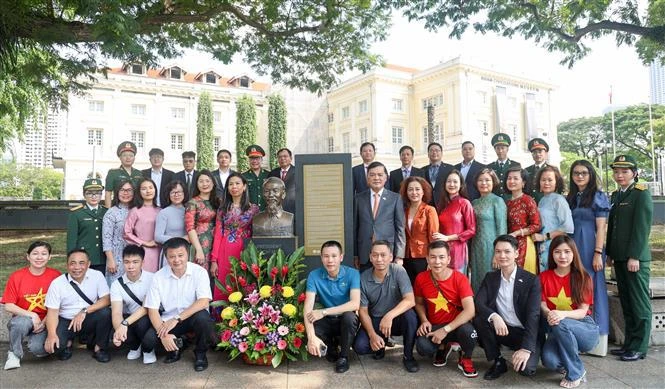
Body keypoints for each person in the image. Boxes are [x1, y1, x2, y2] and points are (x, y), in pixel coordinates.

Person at [606, 155, 653, 362]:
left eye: (624, 171)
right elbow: (612, 227)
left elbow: (641, 229)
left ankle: (640, 347)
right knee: (626, 302)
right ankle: (629, 344)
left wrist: (635, 255)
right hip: (619, 257)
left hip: (635, 259)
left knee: (639, 303)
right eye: (616, 171)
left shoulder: (641, 194)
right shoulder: (616, 195)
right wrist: (609, 253)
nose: (620, 175)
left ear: (634, 173)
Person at [473, 235, 540, 380]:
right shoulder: (491, 277)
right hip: (504, 329)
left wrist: (526, 348)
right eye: (498, 252)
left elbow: (533, 316)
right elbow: (478, 302)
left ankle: (526, 351)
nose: (502, 256)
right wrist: (495, 316)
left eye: (507, 251)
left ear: (516, 253)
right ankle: (498, 361)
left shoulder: (531, 280)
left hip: (525, 333)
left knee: (526, 370)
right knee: (480, 320)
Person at [144, 238, 213, 372]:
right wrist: (164, 335)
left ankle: (200, 354)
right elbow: (152, 309)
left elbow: (204, 301)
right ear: (166, 258)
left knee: (203, 318)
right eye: (172, 256)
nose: (176, 260)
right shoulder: (158, 277)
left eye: (180, 255)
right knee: (149, 341)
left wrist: (177, 319)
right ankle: (177, 345)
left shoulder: (199, 272)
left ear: (188, 254)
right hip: (168, 320)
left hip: (190, 317)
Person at [540, 236, 599, 388]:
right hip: (557, 327)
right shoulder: (544, 277)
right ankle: (569, 360)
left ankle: (576, 372)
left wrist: (561, 314)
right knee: (549, 361)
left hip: (584, 329)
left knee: (561, 323)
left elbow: (582, 312)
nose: (563, 256)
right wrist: (551, 314)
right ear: (552, 254)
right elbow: (542, 305)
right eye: (557, 252)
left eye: (567, 251)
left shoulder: (583, 277)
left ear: (574, 253)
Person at [414, 240, 478, 377]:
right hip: (435, 325)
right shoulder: (421, 278)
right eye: (433, 257)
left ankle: (466, 357)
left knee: (469, 332)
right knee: (422, 347)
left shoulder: (460, 279)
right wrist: (424, 320)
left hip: (457, 326)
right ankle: (443, 347)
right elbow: (418, 303)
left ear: (448, 259)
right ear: (427, 259)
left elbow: (470, 310)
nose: (437, 262)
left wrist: (445, 330)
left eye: (442, 257)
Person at [353, 241, 419, 373]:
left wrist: (389, 315)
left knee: (410, 316)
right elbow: (363, 312)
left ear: (390, 257)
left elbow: (410, 300)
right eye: (375, 255)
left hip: (397, 319)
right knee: (360, 347)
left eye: (383, 255)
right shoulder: (363, 278)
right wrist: (372, 335)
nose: (379, 259)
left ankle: (408, 356)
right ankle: (380, 344)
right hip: (376, 320)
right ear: (370, 257)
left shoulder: (399, 271)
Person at [566, 160, 610, 354]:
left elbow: (601, 227)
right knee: (575, 289)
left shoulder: (598, 197)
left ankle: (597, 338)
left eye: (584, 173)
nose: (580, 176)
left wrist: (598, 253)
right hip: (573, 248)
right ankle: (578, 336)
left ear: (591, 174)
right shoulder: (572, 197)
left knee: (593, 290)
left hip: (591, 247)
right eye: (576, 173)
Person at [44, 249, 112, 363]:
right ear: (67, 265)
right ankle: (68, 342)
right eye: (72, 263)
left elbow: (106, 300)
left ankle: (99, 348)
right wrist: (51, 335)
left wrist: (84, 311)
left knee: (105, 313)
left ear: (88, 264)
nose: (77, 267)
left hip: (88, 317)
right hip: (66, 320)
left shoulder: (97, 275)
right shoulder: (57, 283)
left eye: (81, 263)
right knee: (55, 348)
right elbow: (52, 312)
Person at [3, 241, 61, 370]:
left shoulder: (56, 276)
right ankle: (14, 354)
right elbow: (8, 305)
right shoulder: (17, 277)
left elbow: (61, 305)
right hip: (24, 319)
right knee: (20, 323)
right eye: (35, 254)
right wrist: (32, 315)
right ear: (28, 256)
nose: (39, 257)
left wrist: (45, 321)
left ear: (50, 256)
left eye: (44, 254)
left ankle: (40, 342)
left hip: (48, 320)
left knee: (38, 349)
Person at [304, 240, 360, 374]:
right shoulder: (314, 275)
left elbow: (355, 304)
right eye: (326, 256)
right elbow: (307, 307)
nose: (330, 260)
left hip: (344, 319)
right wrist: (311, 337)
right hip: (328, 320)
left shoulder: (352, 274)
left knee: (349, 317)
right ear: (321, 258)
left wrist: (323, 312)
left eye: (334, 256)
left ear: (341, 257)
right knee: (310, 320)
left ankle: (344, 357)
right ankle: (331, 345)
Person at [210, 172, 259, 300]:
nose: (234, 186)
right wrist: (214, 260)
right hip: (225, 251)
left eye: (237, 183)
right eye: (231, 184)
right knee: (225, 284)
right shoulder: (223, 209)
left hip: (245, 251)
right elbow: (218, 234)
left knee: (244, 283)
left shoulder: (253, 209)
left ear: (244, 186)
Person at [353, 161, 406, 272]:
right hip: (364, 253)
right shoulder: (358, 198)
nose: (376, 178)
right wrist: (355, 254)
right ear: (367, 178)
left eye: (380, 175)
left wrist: (399, 255)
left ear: (386, 177)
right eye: (372, 175)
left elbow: (400, 228)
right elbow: (355, 228)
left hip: (387, 253)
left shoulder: (395, 198)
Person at [110, 245, 157, 364]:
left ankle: (148, 349)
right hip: (130, 319)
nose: (131, 266)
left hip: (150, 316)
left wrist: (125, 323)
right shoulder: (117, 284)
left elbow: (146, 308)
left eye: (135, 262)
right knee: (117, 325)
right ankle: (135, 346)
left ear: (143, 262)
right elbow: (116, 312)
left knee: (142, 322)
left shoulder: (153, 279)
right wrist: (118, 330)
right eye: (127, 262)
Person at [470, 168, 507, 292]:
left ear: (493, 182)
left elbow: (502, 229)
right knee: (477, 280)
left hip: (491, 248)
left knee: (491, 281)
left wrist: (498, 254)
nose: (484, 183)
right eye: (480, 180)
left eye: (487, 180)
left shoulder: (497, 201)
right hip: (476, 247)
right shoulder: (474, 202)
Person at [433, 169, 476, 275]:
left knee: (457, 282)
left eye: (455, 182)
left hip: (458, 250)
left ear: (461, 184)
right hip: (442, 249)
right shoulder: (442, 204)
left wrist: (449, 238)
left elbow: (472, 230)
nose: (452, 184)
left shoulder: (464, 203)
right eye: (449, 181)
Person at [531, 166, 574, 272]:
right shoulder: (542, 200)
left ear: (557, 182)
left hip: (555, 246)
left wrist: (545, 237)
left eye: (550, 180)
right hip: (542, 247)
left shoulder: (559, 200)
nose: (546, 183)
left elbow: (568, 227)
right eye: (543, 180)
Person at [400, 176, 439, 284]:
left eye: (417, 189)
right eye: (410, 189)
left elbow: (433, 236)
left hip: (423, 256)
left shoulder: (429, 210)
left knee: (423, 287)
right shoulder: (404, 210)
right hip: (406, 256)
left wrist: (431, 258)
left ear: (423, 191)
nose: (414, 192)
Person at [504, 167, 541, 274]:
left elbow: (536, 225)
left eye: (515, 178)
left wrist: (517, 233)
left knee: (523, 277)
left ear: (523, 182)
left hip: (524, 244)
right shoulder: (506, 203)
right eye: (509, 178)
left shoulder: (528, 200)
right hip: (509, 245)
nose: (511, 181)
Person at [67, 178, 107, 274]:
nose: (94, 196)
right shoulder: (76, 213)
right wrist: (72, 260)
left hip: (103, 258)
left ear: (101, 195)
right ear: (84, 194)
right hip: (83, 259)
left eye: (97, 193)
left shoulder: (106, 212)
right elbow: (72, 240)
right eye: (89, 193)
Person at [123, 178, 161, 272]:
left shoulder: (161, 210)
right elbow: (126, 232)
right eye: (144, 189)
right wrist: (144, 243)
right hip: (144, 251)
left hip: (161, 251)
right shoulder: (135, 211)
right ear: (139, 192)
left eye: (151, 188)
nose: (148, 191)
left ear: (155, 190)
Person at [185, 169, 219, 270]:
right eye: (201, 181)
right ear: (196, 184)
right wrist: (198, 249)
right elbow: (190, 228)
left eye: (207, 181)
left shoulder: (218, 201)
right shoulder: (192, 203)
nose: (204, 184)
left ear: (213, 183)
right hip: (200, 243)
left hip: (217, 243)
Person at [102, 179, 134, 286]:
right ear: (117, 192)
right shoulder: (111, 213)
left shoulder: (137, 210)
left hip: (134, 258)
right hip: (117, 259)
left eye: (129, 190)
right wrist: (111, 260)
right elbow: (107, 239)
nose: (126, 193)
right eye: (122, 190)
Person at [154, 181, 189, 268]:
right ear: (168, 195)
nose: (176, 195)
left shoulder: (189, 211)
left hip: (185, 253)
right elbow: (158, 237)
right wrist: (180, 239)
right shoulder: (164, 212)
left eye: (179, 192)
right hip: (170, 253)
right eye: (173, 192)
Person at [104, 141, 143, 207]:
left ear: (134, 158)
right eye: (125, 155)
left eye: (131, 155)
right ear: (120, 158)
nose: (128, 158)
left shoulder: (139, 173)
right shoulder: (113, 173)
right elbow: (108, 193)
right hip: (118, 207)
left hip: (136, 207)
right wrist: (108, 210)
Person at [487, 133, 521, 200]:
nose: (500, 151)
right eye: (498, 148)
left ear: (507, 149)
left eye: (503, 148)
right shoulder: (490, 167)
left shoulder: (515, 165)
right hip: (494, 200)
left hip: (511, 199)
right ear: (495, 150)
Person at [421, 142, 454, 208]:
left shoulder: (450, 168)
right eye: (431, 150)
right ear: (428, 154)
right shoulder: (422, 170)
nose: (434, 152)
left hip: (445, 204)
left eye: (437, 150)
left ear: (441, 153)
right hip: (427, 205)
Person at [267, 147, 296, 215]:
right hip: (276, 210)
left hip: (293, 210)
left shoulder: (297, 171)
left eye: (285, 156)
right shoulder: (272, 173)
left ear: (291, 158)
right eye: (280, 157)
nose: (282, 159)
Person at [242, 144, 270, 211]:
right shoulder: (243, 176)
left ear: (261, 160)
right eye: (252, 158)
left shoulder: (269, 175)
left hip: (266, 211)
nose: (254, 161)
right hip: (249, 212)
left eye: (257, 158)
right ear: (249, 160)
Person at [524, 138, 550, 204]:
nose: (537, 154)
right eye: (534, 152)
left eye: (540, 151)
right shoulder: (526, 170)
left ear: (546, 153)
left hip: (546, 204)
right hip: (529, 205)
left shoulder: (551, 169)